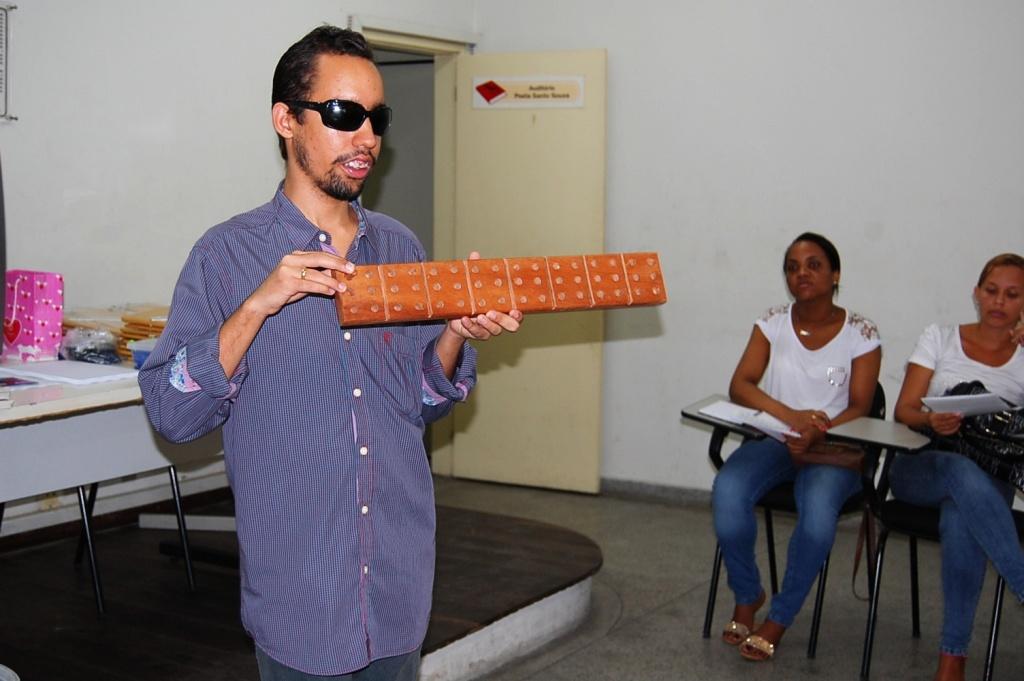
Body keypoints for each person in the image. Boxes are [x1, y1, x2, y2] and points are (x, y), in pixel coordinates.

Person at [139, 26, 522, 681]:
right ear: (286, 120)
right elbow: (171, 413)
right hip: (301, 594)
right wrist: (257, 306)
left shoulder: (399, 248)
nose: (367, 136)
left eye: (377, 117)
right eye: (345, 114)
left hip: (398, 584)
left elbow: (421, 400)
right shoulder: (225, 256)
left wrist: (454, 333)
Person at [711, 232, 882, 661]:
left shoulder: (861, 332)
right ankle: (748, 594)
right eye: (792, 267)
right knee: (727, 491)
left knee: (817, 521)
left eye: (813, 265)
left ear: (835, 274)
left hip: (834, 447)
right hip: (776, 438)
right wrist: (793, 418)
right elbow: (740, 385)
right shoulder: (772, 321)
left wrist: (817, 432)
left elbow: (861, 407)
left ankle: (779, 617)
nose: (801, 273)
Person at [889, 253, 1024, 681]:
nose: (999, 302)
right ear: (976, 293)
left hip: (990, 476)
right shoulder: (940, 337)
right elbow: (904, 410)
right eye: (991, 291)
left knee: (960, 517)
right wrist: (932, 420)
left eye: (1012, 295)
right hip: (923, 463)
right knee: (959, 473)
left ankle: (952, 659)